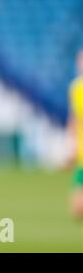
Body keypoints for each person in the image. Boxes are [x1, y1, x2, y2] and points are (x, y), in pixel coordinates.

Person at [65, 49, 83, 224]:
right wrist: (71, 143)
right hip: (82, 153)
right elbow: (74, 119)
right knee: (77, 211)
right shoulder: (76, 88)